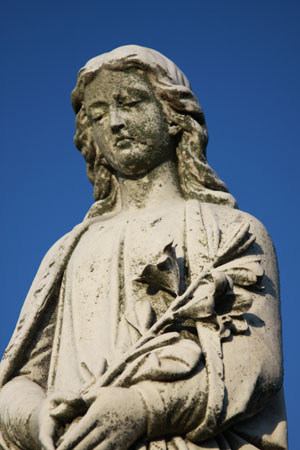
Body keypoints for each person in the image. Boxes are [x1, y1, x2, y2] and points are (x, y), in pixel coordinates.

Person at [0, 45, 287, 449]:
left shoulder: (233, 231)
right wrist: (35, 416)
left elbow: (255, 367)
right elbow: (20, 378)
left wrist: (143, 408)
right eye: (98, 114)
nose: (114, 123)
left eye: (130, 103)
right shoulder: (67, 251)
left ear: (173, 115)